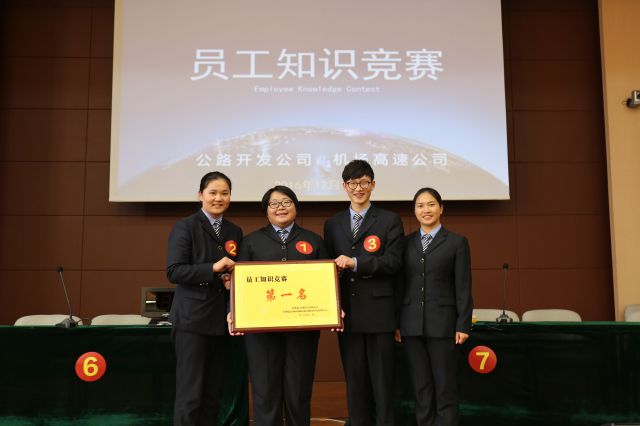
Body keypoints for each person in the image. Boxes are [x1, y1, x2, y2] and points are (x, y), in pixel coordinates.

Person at [234, 185, 328, 426]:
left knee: (299, 390)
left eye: (286, 202)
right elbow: (238, 285)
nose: (280, 208)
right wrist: (233, 312)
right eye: (274, 204)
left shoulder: (313, 240)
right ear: (266, 210)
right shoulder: (251, 242)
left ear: (296, 206)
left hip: (303, 329)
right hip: (261, 330)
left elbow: (326, 284)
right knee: (265, 391)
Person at [323, 160, 404, 426]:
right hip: (347, 314)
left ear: (373, 185)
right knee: (355, 382)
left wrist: (356, 262)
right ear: (344, 186)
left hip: (379, 313)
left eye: (364, 183)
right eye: (353, 183)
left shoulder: (390, 220)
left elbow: (394, 262)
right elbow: (328, 271)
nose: (359, 188)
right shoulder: (332, 224)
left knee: (383, 382)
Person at [166, 171, 243, 426]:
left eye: (224, 193)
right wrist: (213, 268)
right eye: (213, 193)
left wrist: (231, 280)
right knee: (190, 394)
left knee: (213, 394)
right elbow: (174, 271)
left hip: (220, 322)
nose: (218, 198)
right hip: (192, 321)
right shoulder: (185, 226)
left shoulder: (234, 230)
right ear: (201, 195)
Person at [396, 187, 473, 426]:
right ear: (414, 211)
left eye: (431, 204)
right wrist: (397, 323)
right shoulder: (405, 243)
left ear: (441, 208)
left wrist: (463, 324)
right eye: (420, 206)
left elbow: (463, 286)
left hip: (443, 325)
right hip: (411, 326)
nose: (426, 210)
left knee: (445, 388)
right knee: (421, 389)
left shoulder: (457, 242)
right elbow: (399, 285)